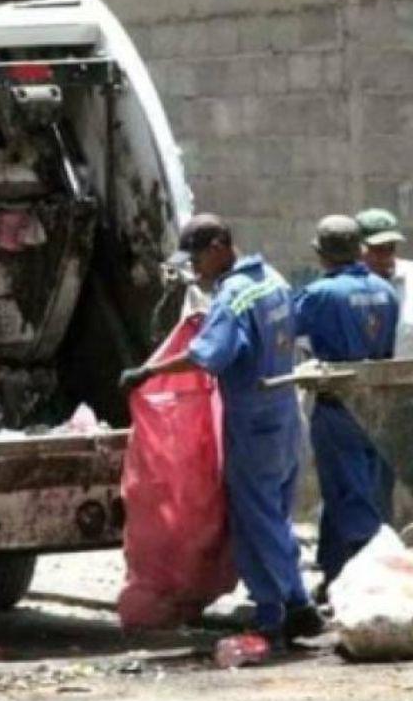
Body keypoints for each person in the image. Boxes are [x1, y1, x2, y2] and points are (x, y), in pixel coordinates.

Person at [119, 214, 322, 654]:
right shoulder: (273, 279)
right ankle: (299, 604)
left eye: (197, 258)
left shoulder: (233, 296)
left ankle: (272, 616)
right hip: (286, 413)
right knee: (276, 516)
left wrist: (148, 371)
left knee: (254, 521)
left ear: (219, 248)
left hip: (252, 421)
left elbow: (207, 356)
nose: (196, 269)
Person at [296, 215, 398, 598]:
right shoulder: (385, 291)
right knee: (351, 490)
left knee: (348, 494)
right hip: (376, 403)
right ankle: (334, 575)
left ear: (321, 254)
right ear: (359, 250)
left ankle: (375, 582)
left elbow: (287, 327)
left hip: (338, 405)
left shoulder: (320, 294)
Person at [355, 207, 413, 358]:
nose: (385, 256)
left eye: (390, 248)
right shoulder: (345, 287)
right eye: (378, 249)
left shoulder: (410, 277)